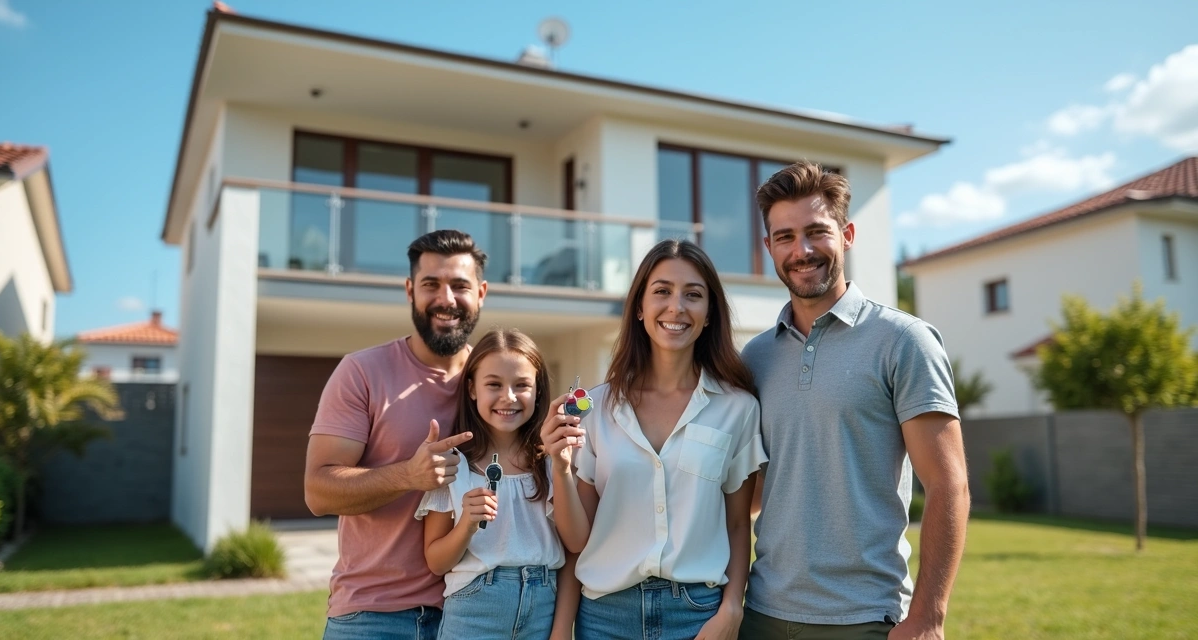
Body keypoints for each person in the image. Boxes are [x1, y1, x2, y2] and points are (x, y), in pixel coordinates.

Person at [740, 162, 970, 640]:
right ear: (768, 247)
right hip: (762, 612)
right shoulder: (756, 356)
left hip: (864, 618)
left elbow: (949, 485)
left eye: (815, 232)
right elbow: (755, 489)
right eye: (784, 237)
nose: (800, 251)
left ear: (846, 234)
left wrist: (928, 616)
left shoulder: (904, 341)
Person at [550, 239, 766, 640]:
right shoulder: (594, 407)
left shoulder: (738, 408)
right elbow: (577, 538)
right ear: (639, 308)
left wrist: (733, 606)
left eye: (693, 295)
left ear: (709, 313)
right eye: (662, 291)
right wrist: (561, 468)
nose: (677, 307)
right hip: (605, 617)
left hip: (698, 615)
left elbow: (738, 522)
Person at [303, 229, 488, 640]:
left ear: (481, 292)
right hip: (374, 617)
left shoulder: (498, 384)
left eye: (460, 285)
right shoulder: (362, 372)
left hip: (477, 613)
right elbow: (318, 492)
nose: (446, 299)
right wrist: (409, 476)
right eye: (430, 285)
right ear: (409, 290)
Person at [416, 329, 579, 640]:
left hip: (543, 608)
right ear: (472, 389)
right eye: (494, 384)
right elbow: (436, 562)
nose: (509, 397)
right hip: (474, 612)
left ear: (538, 391)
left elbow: (575, 546)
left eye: (522, 385)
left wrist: (562, 629)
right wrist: (466, 524)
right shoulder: (452, 463)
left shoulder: (553, 459)